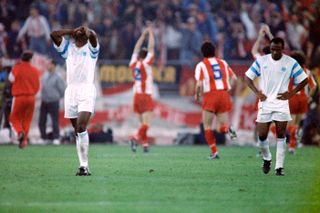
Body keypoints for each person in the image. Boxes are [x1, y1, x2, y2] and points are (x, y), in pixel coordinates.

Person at [245, 37, 308, 176]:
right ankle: (267, 158)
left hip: (281, 103)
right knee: (262, 135)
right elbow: (247, 77)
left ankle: (279, 167)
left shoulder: (290, 62)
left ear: (283, 49)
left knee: (281, 135)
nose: (274, 52)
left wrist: (291, 93)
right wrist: (257, 92)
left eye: (277, 50)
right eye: (272, 49)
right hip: (265, 103)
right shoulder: (262, 61)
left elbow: (304, 80)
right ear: (270, 47)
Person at [51, 26, 99, 176]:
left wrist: (87, 31)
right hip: (70, 91)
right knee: (77, 132)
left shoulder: (92, 49)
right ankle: (83, 166)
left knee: (81, 127)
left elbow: (93, 36)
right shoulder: (68, 49)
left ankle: (84, 165)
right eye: (78, 33)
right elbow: (53, 34)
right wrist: (70, 30)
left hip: (86, 90)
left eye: (82, 33)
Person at [194, 41, 237, 160]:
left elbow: (199, 84)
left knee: (207, 126)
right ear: (215, 51)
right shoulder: (223, 62)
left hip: (210, 95)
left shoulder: (201, 65)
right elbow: (234, 78)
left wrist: (197, 95)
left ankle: (214, 152)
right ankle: (228, 129)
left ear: (202, 53)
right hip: (223, 94)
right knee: (221, 128)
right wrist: (228, 89)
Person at [129, 27, 155, 153]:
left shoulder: (133, 63)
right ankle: (135, 138)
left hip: (136, 96)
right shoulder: (146, 63)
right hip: (146, 95)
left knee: (142, 124)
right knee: (147, 124)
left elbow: (135, 48)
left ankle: (144, 144)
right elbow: (151, 47)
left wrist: (142, 35)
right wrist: (150, 33)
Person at [287, 51, 317, 154]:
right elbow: (314, 86)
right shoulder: (307, 71)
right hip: (303, 99)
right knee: (297, 123)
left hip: (292, 98)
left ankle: (293, 141)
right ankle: (293, 143)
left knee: (290, 124)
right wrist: (309, 97)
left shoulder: (290, 71)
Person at [9, 50, 40, 148]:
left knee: (14, 118)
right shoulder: (35, 70)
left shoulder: (17, 68)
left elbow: (11, 79)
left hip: (19, 97)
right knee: (27, 120)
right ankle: (24, 142)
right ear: (30, 59)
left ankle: (19, 133)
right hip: (31, 98)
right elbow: (37, 86)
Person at [38, 59, 65, 145]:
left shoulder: (58, 77)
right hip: (44, 101)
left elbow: (62, 90)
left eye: (49, 64)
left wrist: (56, 97)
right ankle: (43, 138)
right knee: (42, 120)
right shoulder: (44, 75)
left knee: (55, 121)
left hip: (54, 101)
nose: (47, 66)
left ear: (53, 65)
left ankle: (56, 138)